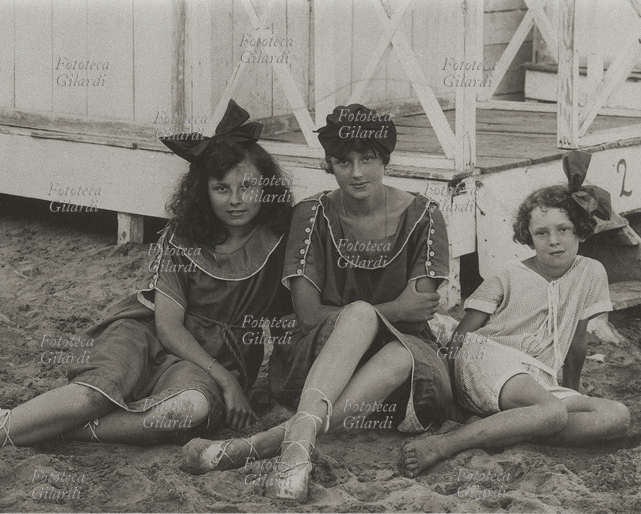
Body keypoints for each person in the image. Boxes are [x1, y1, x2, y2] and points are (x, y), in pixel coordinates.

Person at [0, 100, 293, 475]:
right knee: (94, 395)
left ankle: (38, 426)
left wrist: (228, 375)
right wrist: (226, 382)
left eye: (248, 186)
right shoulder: (185, 236)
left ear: (267, 185)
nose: (236, 200)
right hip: (151, 332)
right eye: (222, 188)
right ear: (204, 192)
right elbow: (169, 328)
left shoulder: (279, 239)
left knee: (186, 411)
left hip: (214, 358)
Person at [181, 104, 455, 502]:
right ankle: (296, 442)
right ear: (329, 163)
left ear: (385, 159)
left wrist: (385, 315)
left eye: (368, 159)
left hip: (405, 378)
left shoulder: (423, 214)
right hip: (316, 362)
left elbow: (420, 312)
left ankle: (274, 443)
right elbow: (309, 316)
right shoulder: (311, 214)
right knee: (360, 314)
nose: (356, 172)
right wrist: (389, 311)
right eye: (343, 161)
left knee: (398, 352)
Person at [399, 151, 630, 478]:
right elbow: (462, 337)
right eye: (542, 233)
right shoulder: (506, 275)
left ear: (580, 229)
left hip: (537, 380)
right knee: (551, 413)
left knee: (614, 415)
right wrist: (453, 400)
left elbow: (578, 340)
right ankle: (445, 444)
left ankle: (502, 427)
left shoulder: (591, 273)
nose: (554, 241)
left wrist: (574, 391)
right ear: (528, 236)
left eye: (564, 229)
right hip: (487, 359)